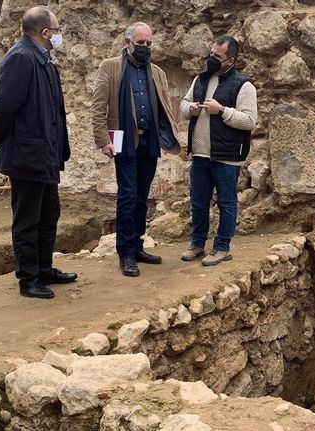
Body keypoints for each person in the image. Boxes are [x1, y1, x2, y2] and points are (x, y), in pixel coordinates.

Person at [0, 5, 76, 299]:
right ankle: (28, 279)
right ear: (45, 32)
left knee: (49, 212)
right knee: (27, 218)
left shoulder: (43, 60)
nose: (59, 35)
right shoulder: (21, 58)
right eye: (57, 30)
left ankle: (44, 268)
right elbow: (4, 105)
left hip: (46, 153)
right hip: (27, 153)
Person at [91, 22, 180, 277]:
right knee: (128, 196)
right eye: (140, 43)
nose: (145, 47)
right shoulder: (111, 67)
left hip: (149, 142)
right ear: (127, 42)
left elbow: (163, 105)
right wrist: (102, 140)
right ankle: (126, 253)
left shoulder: (157, 72)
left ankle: (138, 246)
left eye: (149, 43)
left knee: (142, 196)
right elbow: (98, 107)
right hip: (124, 141)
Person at [179, 36, 257, 266]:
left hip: (227, 157)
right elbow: (183, 105)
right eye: (211, 53)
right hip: (200, 155)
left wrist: (222, 110)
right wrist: (190, 108)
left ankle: (222, 248)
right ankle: (197, 244)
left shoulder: (243, 85)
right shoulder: (200, 80)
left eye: (217, 56)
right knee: (198, 201)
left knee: (226, 203)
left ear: (230, 60)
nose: (211, 58)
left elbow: (250, 120)